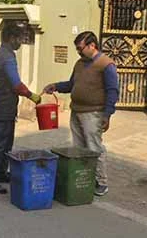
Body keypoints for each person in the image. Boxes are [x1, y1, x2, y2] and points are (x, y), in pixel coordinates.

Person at [43, 31, 119, 196]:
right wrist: (55, 86)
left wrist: (107, 114)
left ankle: (101, 182)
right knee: (79, 148)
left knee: (94, 147)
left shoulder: (106, 65)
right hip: (76, 110)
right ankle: (84, 179)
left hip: (94, 113)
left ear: (92, 46)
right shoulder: (79, 64)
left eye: (80, 48)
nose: (78, 51)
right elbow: (72, 84)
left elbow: (112, 91)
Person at [0, 22, 41, 194]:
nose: (21, 43)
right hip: (3, 105)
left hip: (0, 103)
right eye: (20, 39)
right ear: (12, 38)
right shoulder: (7, 57)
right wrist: (32, 96)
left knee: (6, 142)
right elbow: (16, 85)